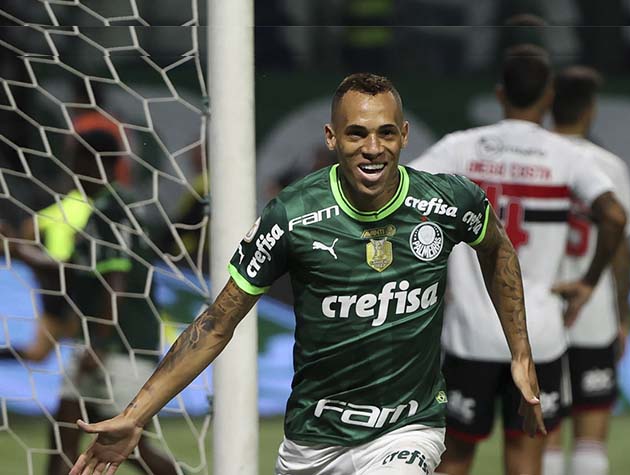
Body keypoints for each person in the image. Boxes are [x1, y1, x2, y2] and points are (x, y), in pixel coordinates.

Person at [69, 73, 546, 475]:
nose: (373, 149)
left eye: (384, 133)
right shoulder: (291, 217)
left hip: (408, 430)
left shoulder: (448, 201)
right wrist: (135, 415)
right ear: (331, 138)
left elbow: (498, 250)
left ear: (403, 135)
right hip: (313, 441)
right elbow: (217, 324)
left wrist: (520, 352)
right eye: (357, 133)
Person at [410, 45, 628, 475]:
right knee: (526, 458)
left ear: (499, 94)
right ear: (548, 97)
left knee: (453, 458)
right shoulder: (566, 156)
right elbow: (615, 216)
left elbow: (402, 194)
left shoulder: (461, 148)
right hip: (538, 337)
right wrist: (588, 282)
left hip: (470, 332)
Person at [1, 131, 177, 475]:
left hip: (119, 348)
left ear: (93, 163)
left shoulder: (113, 210)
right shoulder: (104, 211)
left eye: (76, 163)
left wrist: (99, 342)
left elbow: (116, 281)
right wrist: (19, 250)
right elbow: (74, 273)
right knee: (65, 429)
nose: (71, 172)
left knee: (132, 449)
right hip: (103, 344)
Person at [542, 66, 630, 475]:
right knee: (590, 436)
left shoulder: (534, 159)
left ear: (548, 104)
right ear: (591, 110)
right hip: (593, 311)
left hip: (540, 310)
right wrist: (623, 315)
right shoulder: (608, 166)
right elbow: (619, 249)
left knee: (542, 434)